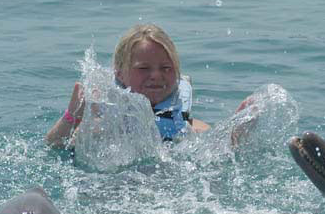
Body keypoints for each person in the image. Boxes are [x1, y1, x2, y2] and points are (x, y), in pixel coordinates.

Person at [45, 24, 211, 149]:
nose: (156, 75)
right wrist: (72, 116)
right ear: (119, 73)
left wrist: (232, 138)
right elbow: (54, 146)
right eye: (143, 68)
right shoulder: (100, 122)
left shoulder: (190, 129)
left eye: (166, 68)